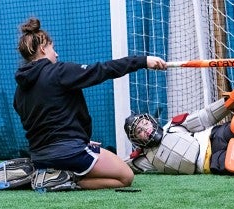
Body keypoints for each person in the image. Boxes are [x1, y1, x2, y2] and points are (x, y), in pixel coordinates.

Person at [13, 17, 167, 190]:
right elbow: (103, 70)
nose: (56, 54)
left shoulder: (19, 91)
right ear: (42, 48)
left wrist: (79, 138)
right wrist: (143, 61)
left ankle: (52, 175)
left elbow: (43, 124)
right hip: (69, 153)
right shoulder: (59, 71)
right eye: (52, 47)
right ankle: (68, 179)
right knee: (126, 176)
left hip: (39, 157)